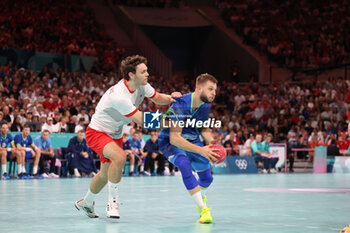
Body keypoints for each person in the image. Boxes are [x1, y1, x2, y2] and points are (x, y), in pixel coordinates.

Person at [75, 55, 180, 219]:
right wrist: (171, 121)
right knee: (120, 156)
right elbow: (143, 121)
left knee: (104, 175)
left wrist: (171, 98)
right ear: (131, 75)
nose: (148, 74)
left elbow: (158, 97)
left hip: (114, 134)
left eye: (147, 71)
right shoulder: (119, 95)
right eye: (143, 71)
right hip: (97, 132)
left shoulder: (142, 85)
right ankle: (113, 203)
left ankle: (86, 203)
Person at [158, 73, 220, 224]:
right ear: (199, 89)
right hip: (170, 143)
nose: (214, 93)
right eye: (210, 89)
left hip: (192, 139)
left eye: (215, 90)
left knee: (207, 178)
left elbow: (203, 128)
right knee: (184, 165)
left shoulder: (205, 105)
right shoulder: (180, 105)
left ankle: (199, 194)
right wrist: (202, 150)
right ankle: (203, 209)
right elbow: (175, 138)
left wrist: (212, 142)